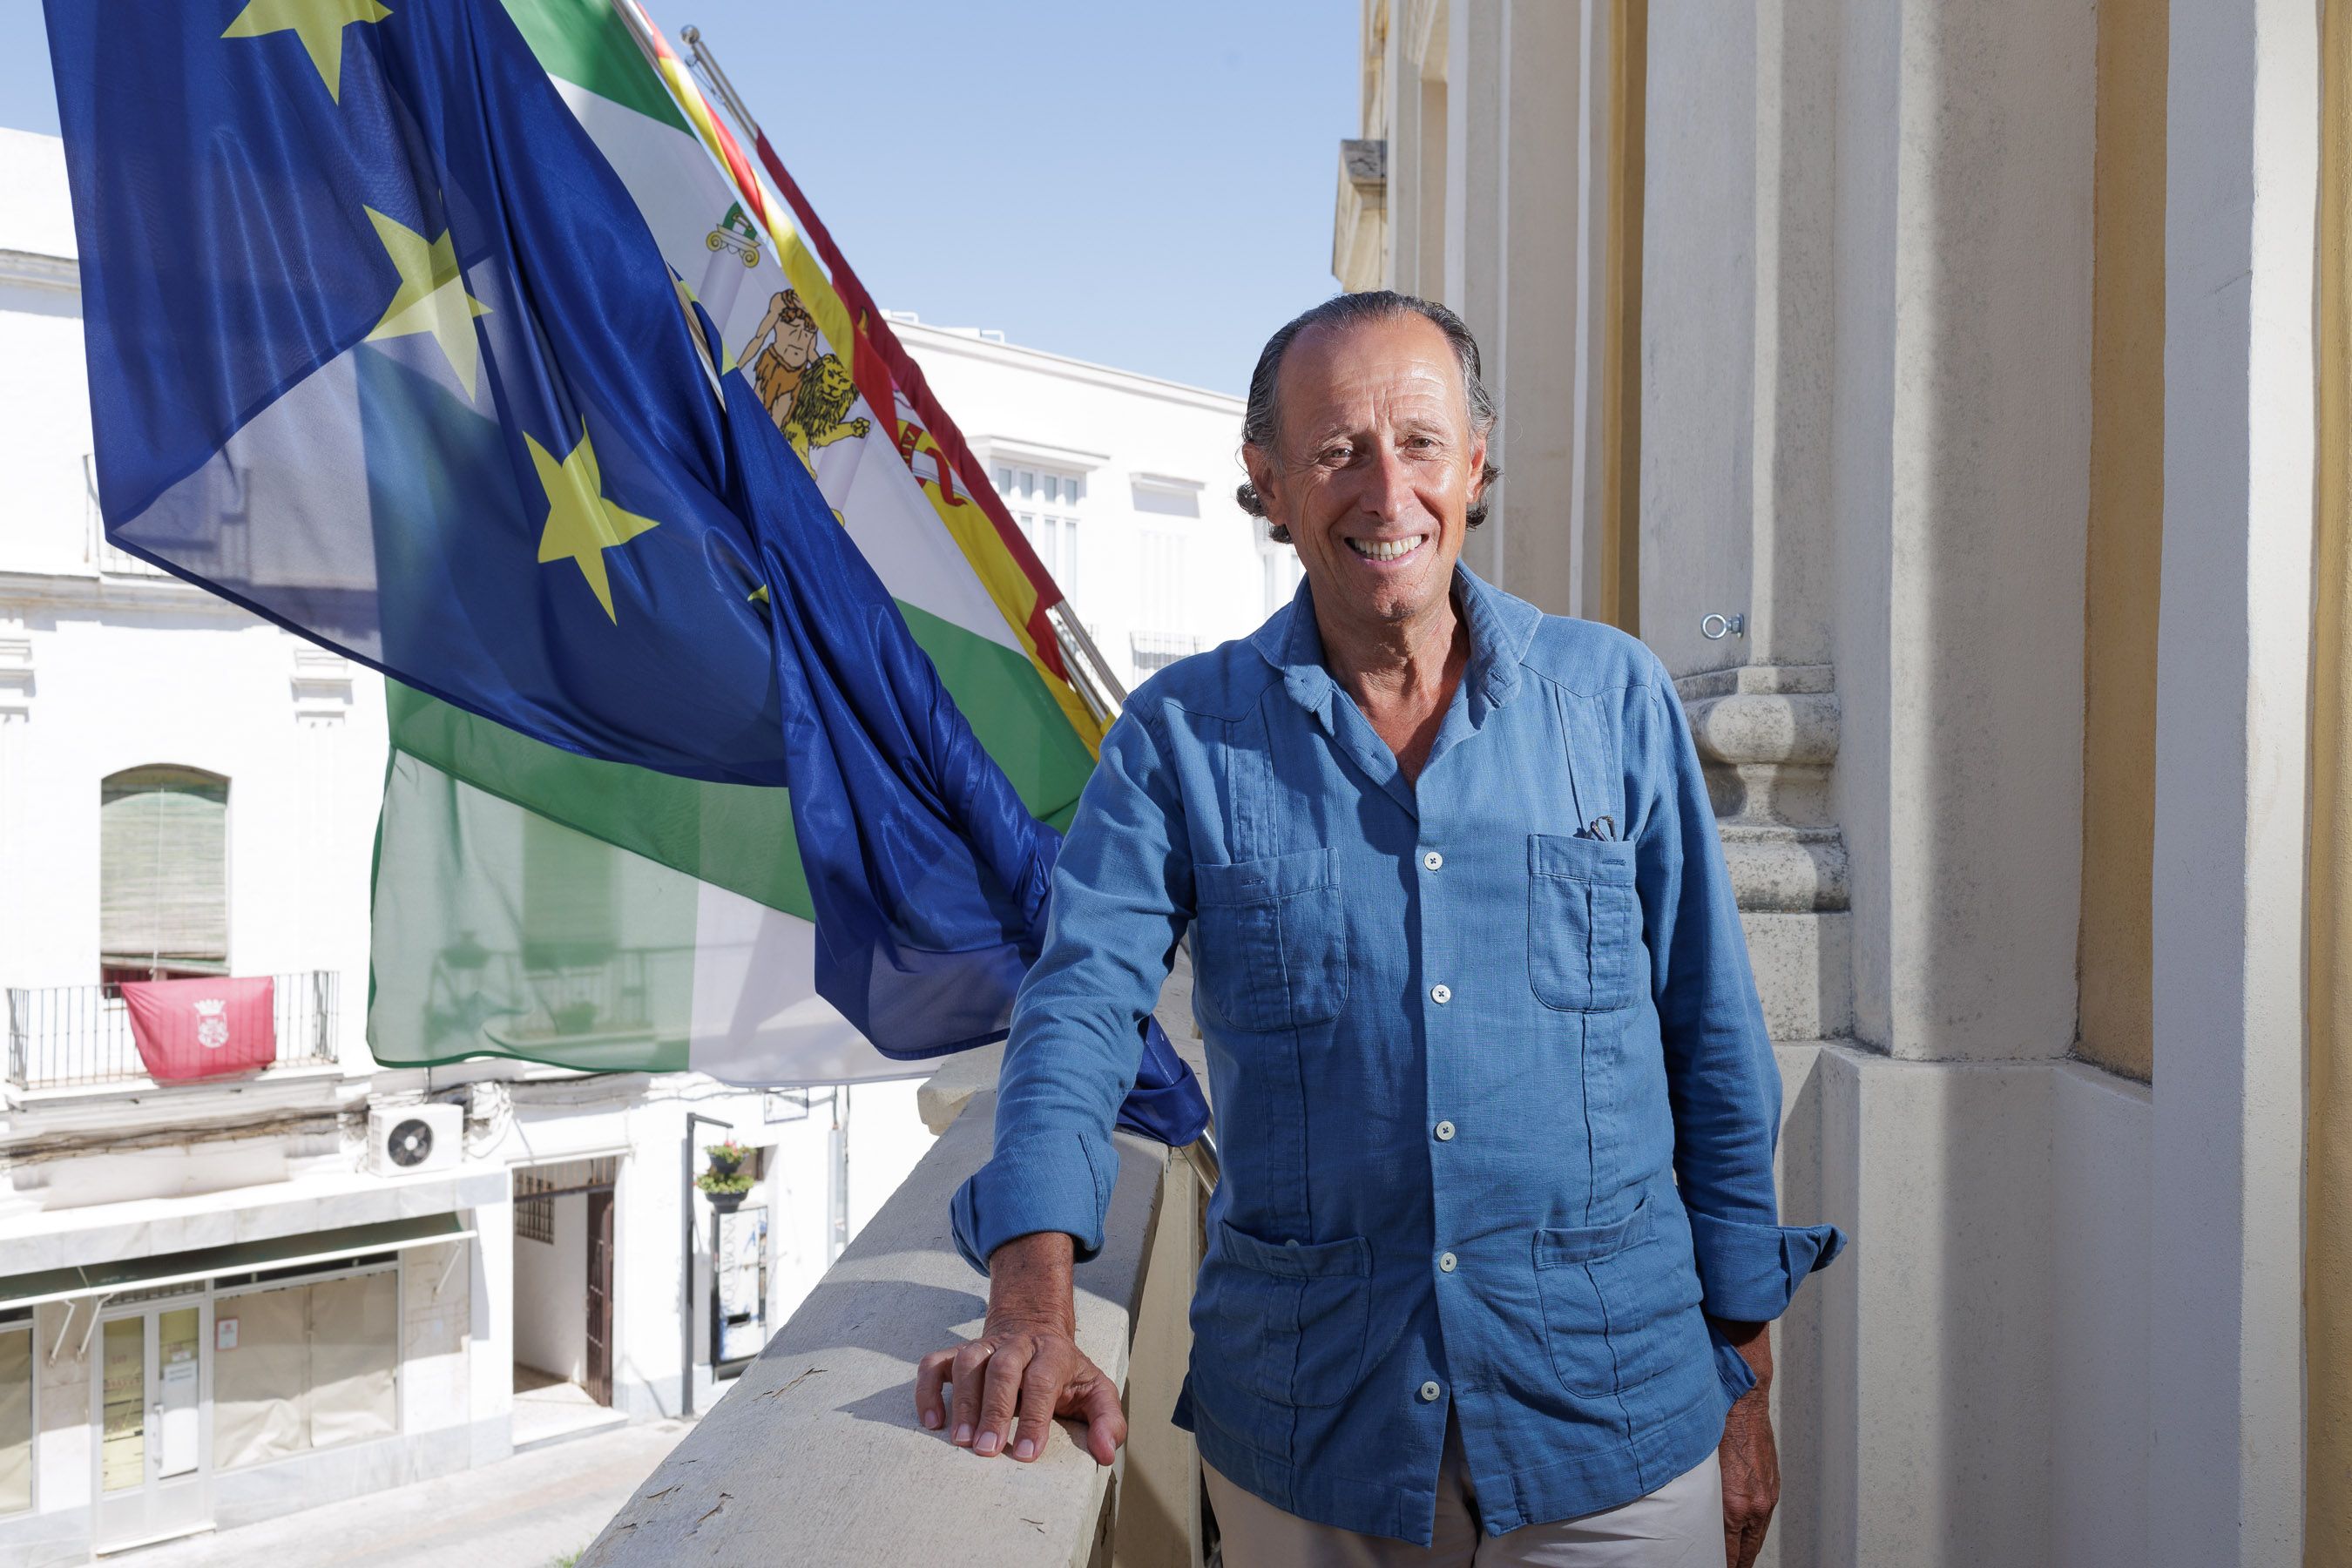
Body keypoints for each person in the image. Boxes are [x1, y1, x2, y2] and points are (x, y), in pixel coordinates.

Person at [914, 291, 1845, 1566]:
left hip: (1615, 1414)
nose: (1385, 488)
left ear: (1474, 464)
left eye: (1419, 442)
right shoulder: (1182, 739)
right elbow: (1080, 1006)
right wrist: (1029, 1296)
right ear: (1270, 484)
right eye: (1338, 449)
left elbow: (1710, 1041)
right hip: (1316, 1433)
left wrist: (1746, 1382)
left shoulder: (1610, 699)